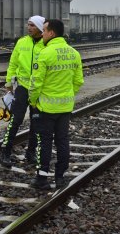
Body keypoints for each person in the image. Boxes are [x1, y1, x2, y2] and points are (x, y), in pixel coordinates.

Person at [28, 19, 84, 189]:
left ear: (51, 33)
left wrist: (33, 101)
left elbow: (35, 83)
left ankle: (42, 179)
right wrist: (68, 95)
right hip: (65, 107)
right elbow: (78, 81)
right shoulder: (74, 53)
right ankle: (60, 177)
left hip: (46, 108)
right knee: (63, 141)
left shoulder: (44, 54)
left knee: (44, 142)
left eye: (44, 30)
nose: (42, 33)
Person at [0, 15, 46, 168]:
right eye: (28, 25)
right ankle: (5, 151)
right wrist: (8, 83)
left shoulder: (47, 44)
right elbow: (13, 64)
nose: (29, 28)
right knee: (15, 120)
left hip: (38, 91)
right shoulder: (21, 42)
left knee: (36, 122)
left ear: (40, 28)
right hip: (22, 88)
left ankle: (31, 152)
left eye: (32, 25)